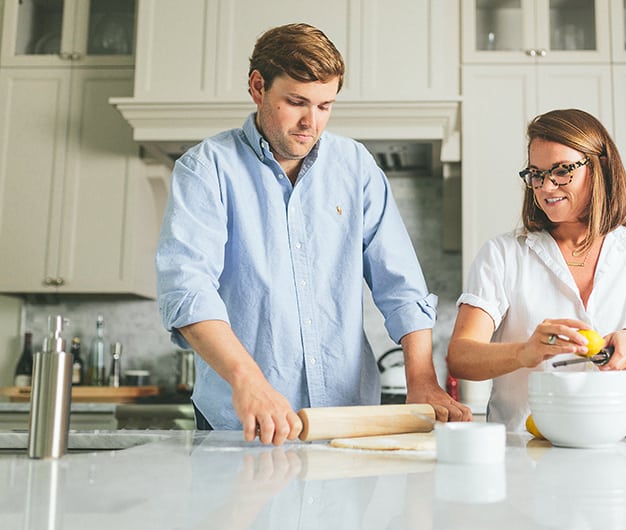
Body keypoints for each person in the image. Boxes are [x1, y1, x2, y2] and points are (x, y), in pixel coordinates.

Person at [156, 23, 470, 445]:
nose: (311, 122)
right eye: (297, 102)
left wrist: (422, 378)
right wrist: (247, 380)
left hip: (347, 422)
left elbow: (402, 286)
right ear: (257, 87)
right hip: (242, 425)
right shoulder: (207, 169)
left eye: (325, 106)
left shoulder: (354, 166)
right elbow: (188, 290)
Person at [447, 108, 626, 432]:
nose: (546, 187)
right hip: (525, 451)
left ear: (599, 167)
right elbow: (461, 357)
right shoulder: (504, 254)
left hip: (617, 444)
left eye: (562, 171)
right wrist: (525, 353)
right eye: (536, 174)